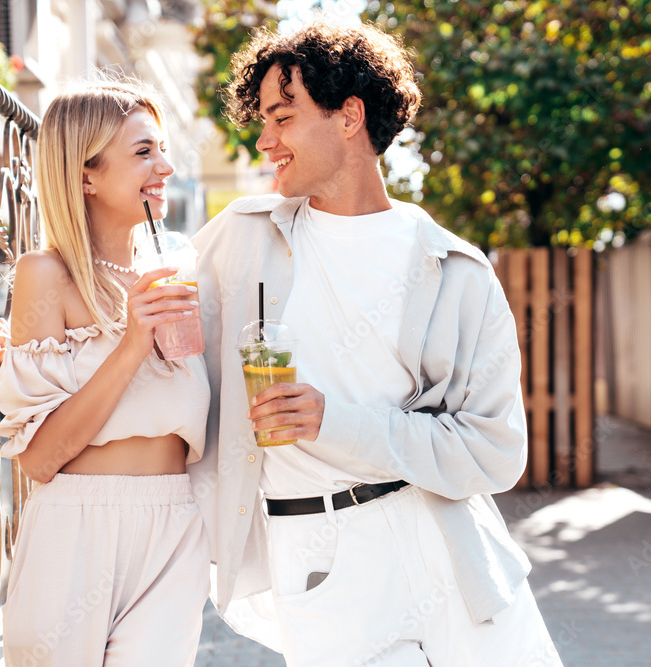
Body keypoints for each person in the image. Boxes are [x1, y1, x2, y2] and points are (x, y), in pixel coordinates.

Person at [190, 21, 563, 666]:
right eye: (264, 119)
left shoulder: (455, 271)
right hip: (320, 562)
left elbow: (498, 453)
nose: (265, 138)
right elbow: (146, 322)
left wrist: (333, 422)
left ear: (349, 117)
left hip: (452, 555)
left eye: (283, 115)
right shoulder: (238, 241)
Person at [0, 78, 210, 667]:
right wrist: (131, 344)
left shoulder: (181, 264)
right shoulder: (46, 276)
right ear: (85, 175)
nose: (165, 165)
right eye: (143, 151)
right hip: (76, 528)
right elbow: (38, 460)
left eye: (162, 148)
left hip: (175, 527)